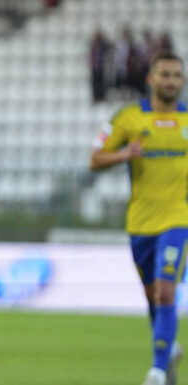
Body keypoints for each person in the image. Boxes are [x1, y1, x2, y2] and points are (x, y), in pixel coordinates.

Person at [90, 52, 188, 385]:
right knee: (153, 297)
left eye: (177, 75)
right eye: (165, 74)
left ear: (183, 81)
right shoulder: (129, 118)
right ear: (151, 79)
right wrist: (123, 154)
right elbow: (95, 158)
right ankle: (168, 347)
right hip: (140, 223)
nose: (171, 81)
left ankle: (158, 370)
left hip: (178, 219)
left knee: (165, 291)